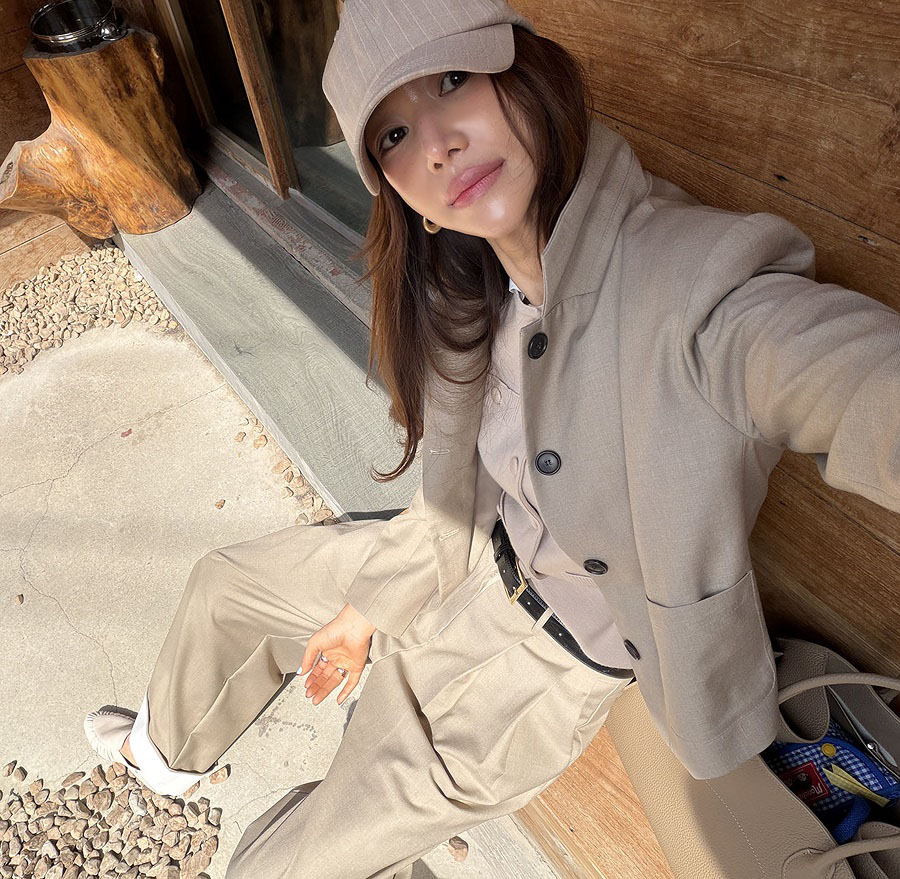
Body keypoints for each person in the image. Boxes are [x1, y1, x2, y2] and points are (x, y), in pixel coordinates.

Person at [84, 1, 900, 877]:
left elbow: (841, 374)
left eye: (452, 80)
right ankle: (160, 757)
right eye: (394, 135)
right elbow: (453, 504)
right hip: (457, 556)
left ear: (527, 76)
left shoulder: (694, 288)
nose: (436, 145)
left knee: (284, 865)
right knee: (229, 586)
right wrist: (367, 611)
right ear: (398, 192)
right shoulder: (473, 289)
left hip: (534, 676)